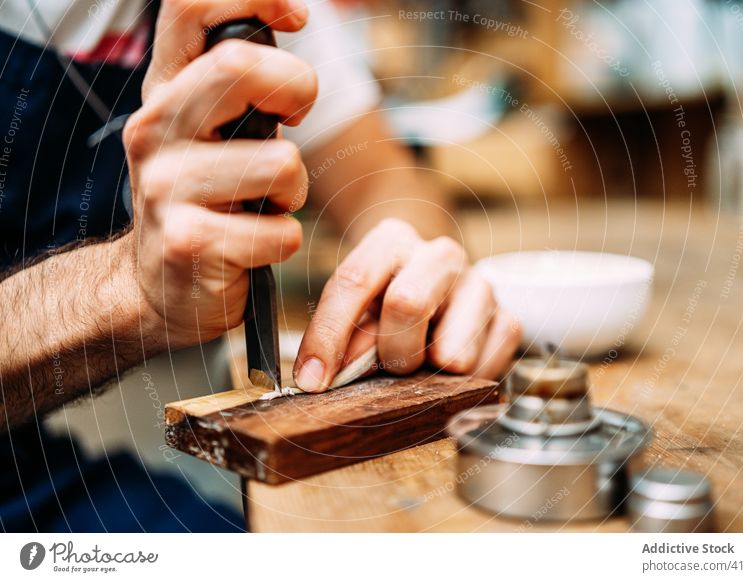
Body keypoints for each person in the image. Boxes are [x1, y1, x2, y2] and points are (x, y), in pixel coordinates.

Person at [0, 0, 520, 531]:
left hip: (39, 468)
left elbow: (381, 181)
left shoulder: (262, 12)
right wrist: (127, 288)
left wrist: (414, 273)